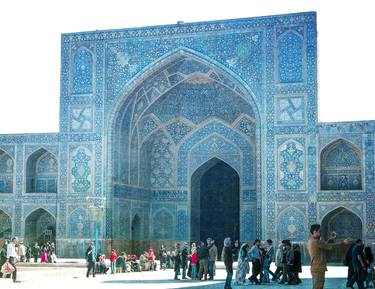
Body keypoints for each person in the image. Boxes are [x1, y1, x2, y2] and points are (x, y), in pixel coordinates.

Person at [307, 224, 349, 289]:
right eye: (319, 231)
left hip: (317, 267)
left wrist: (330, 239)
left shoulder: (312, 241)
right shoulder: (315, 242)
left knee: (317, 286)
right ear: (315, 232)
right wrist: (343, 243)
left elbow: (324, 245)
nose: (320, 233)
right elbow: (331, 246)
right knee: (318, 287)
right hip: (318, 268)